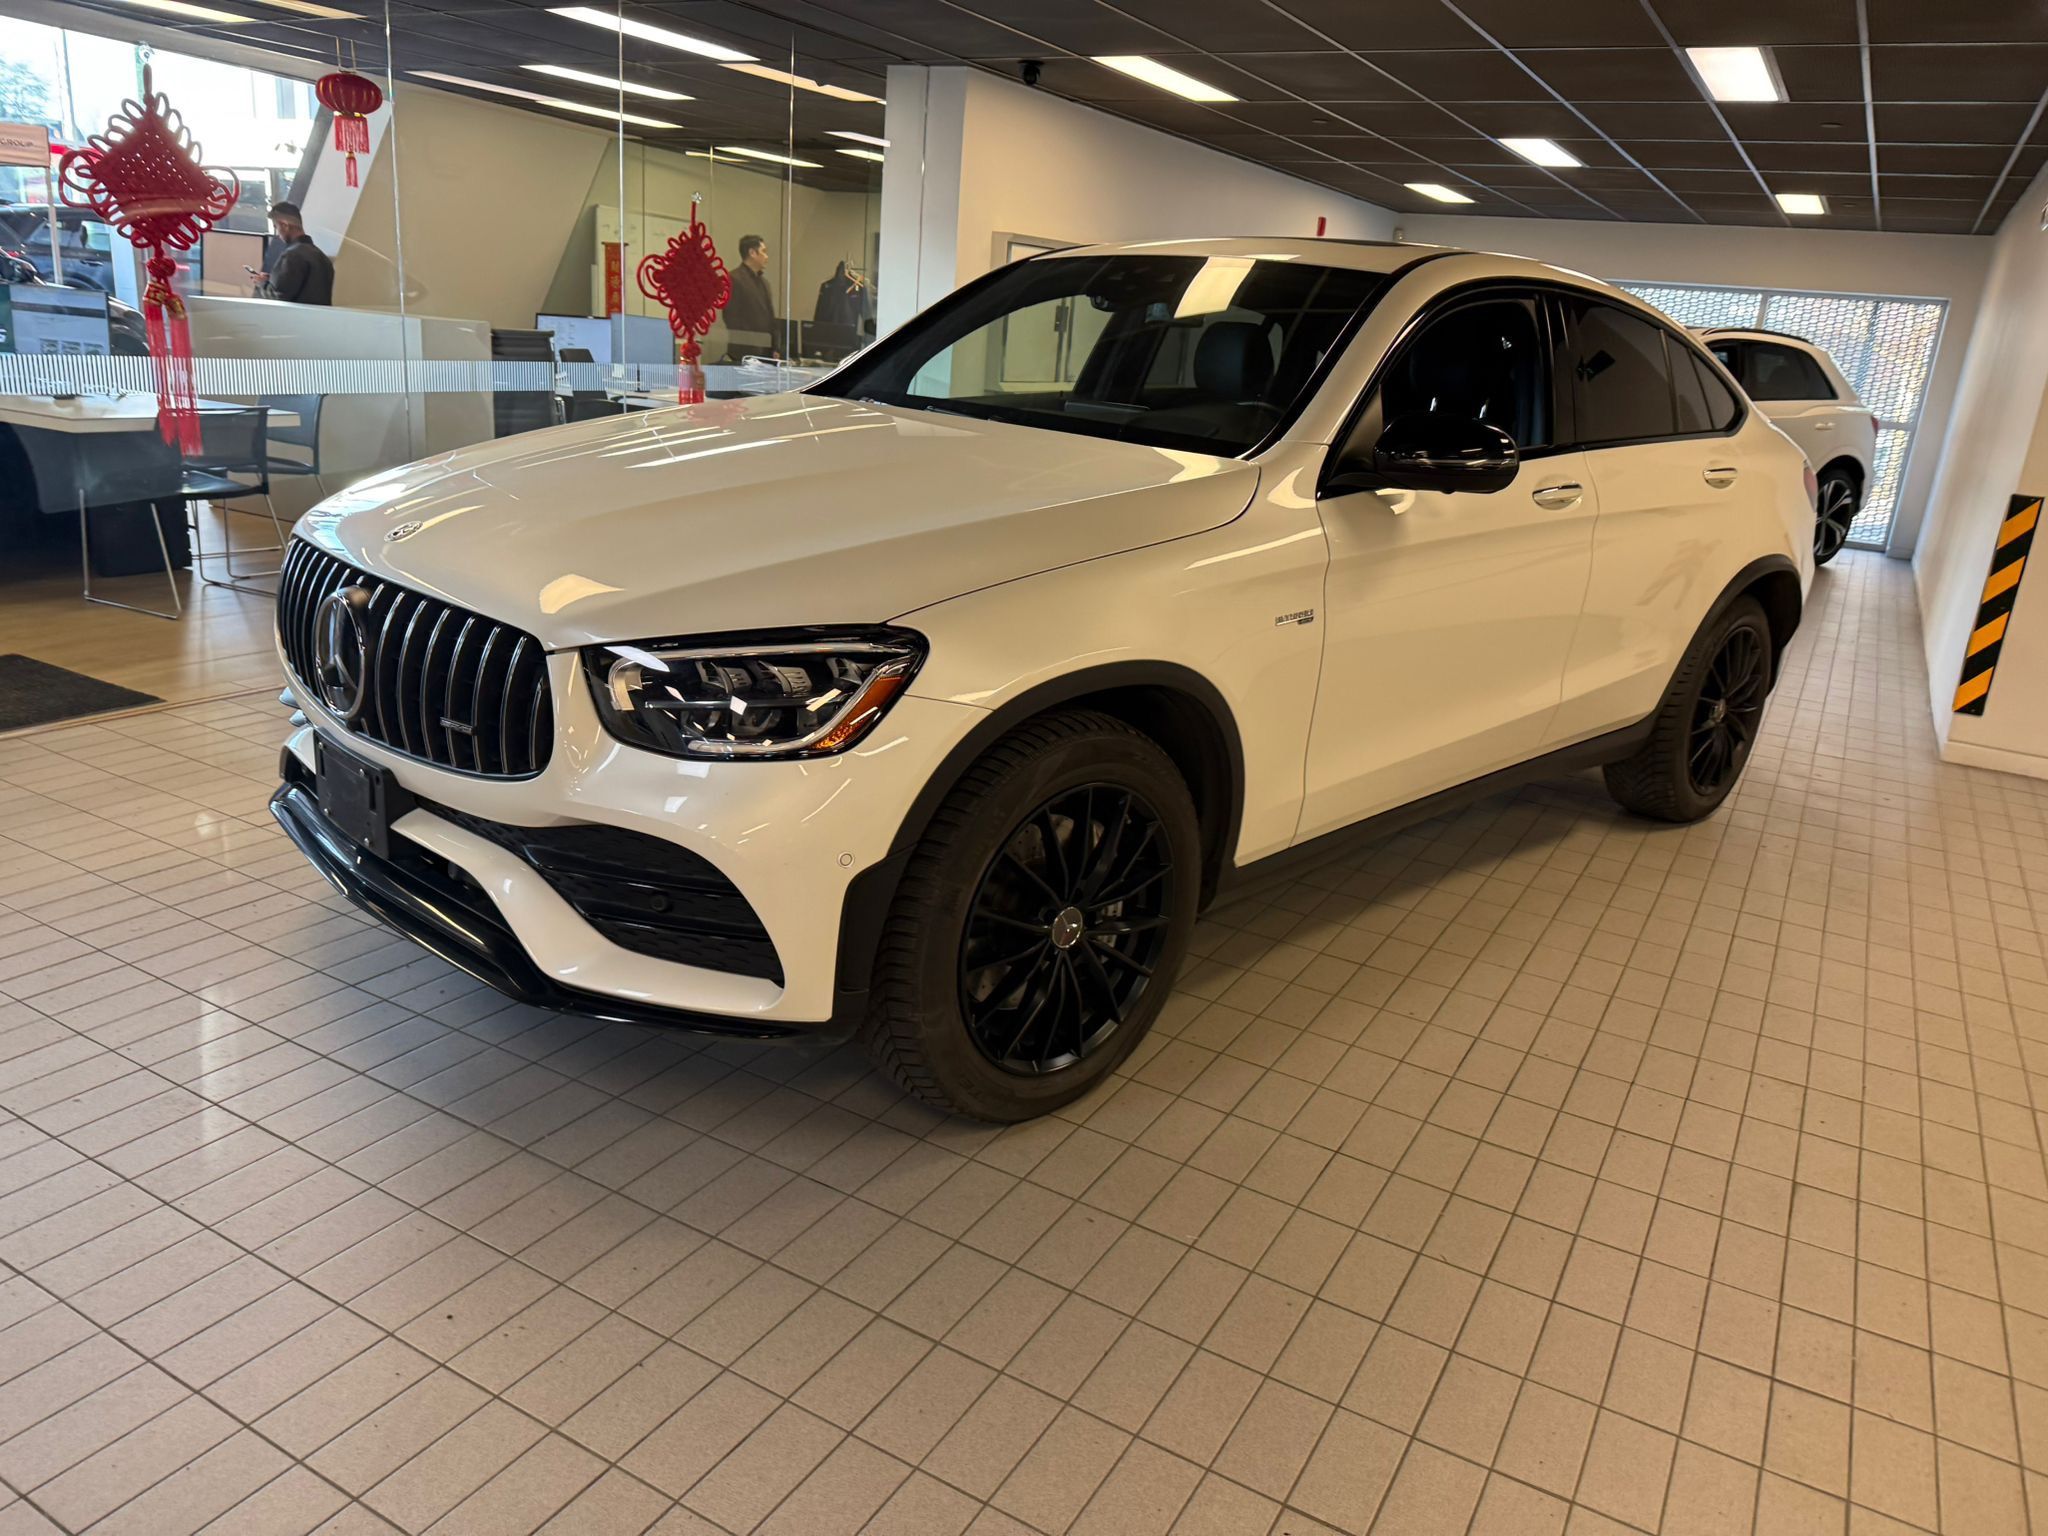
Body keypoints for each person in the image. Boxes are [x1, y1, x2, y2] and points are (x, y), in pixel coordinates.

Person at [258, 202, 334, 306]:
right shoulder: (322, 257)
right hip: (318, 320)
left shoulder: (292, 256)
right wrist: (272, 280)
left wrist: (262, 283)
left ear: (284, 225)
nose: (277, 233)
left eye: (276, 227)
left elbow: (278, 297)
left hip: (295, 320)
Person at [724, 233, 776, 352]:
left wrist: (775, 346)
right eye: (763, 251)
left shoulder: (764, 283)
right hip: (744, 351)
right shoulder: (733, 279)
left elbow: (770, 318)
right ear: (752, 253)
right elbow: (732, 319)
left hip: (766, 351)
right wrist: (751, 345)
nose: (766, 256)